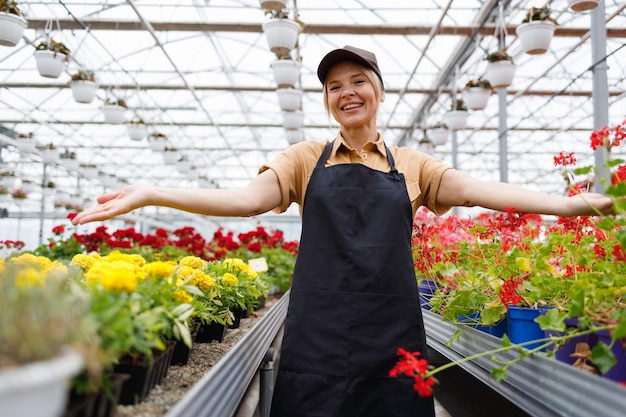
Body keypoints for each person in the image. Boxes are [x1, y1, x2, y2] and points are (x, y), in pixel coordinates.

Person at [72, 45, 615, 417]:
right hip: (319, 336)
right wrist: (150, 193)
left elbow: (480, 190)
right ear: (328, 100)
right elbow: (243, 201)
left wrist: (567, 206)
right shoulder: (307, 158)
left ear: (379, 92)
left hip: (392, 334)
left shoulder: (412, 165)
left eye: (358, 81)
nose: (346, 92)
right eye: (334, 86)